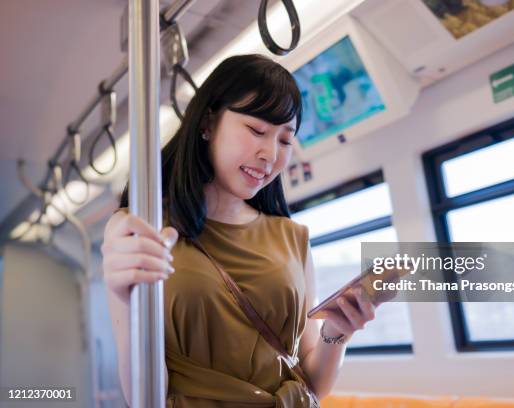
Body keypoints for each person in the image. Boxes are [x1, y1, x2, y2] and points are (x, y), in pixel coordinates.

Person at [102, 54, 378, 408]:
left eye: (285, 140)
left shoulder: (292, 237)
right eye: (257, 130)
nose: (270, 155)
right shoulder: (141, 229)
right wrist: (122, 293)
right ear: (207, 122)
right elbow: (143, 398)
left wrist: (338, 333)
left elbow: (312, 386)